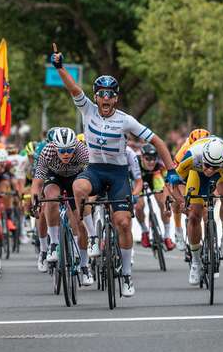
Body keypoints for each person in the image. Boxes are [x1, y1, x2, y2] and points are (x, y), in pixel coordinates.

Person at [50, 45, 177, 297]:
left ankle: (127, 275)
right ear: (95, 97)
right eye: (101, 94)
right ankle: (95, 237)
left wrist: (171, 171)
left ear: (116, 98)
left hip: (118, 174)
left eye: (110, 95)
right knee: (78, 187)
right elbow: (74, 88)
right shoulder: (87, 109)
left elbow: (159, 142)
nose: (105, 99)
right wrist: (60, 67)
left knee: (123, 223)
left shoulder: (126, 120)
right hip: (95, 170)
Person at [176, 136, 223, 285]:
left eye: (214, 167)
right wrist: (181, 201)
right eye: (207, 165)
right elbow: (172, 181)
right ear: (203, 158)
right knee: (194, 216)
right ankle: (196, 262)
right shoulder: (192, 156)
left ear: (222, 162)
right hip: (196, 173)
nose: (210, 170)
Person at [30, 127, 93, 285]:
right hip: (54, 177)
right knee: (51, 199)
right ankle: (53, 244)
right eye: (62, 150)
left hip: (75, 177)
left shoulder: (82, 151)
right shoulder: (47, 151)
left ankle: (85, 266)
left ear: (75, 146)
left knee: (79, 221)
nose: (66, 154)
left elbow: (93, 175)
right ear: (55, 147)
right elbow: (37, 182)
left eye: (69, 150)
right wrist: (35, 199)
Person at [134, 142, 175, 250]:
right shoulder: (135, 163)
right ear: (142, 157)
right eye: (148, 158)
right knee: (139, 206)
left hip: (154, 179)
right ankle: (144, 231)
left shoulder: (159, 164)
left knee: (163, 202)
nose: (152, 161)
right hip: (139, 181)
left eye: (154, 158)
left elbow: (167, 181)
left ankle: (167, 236)